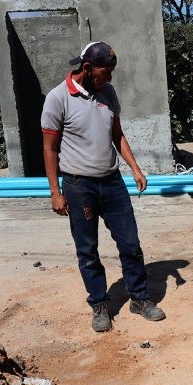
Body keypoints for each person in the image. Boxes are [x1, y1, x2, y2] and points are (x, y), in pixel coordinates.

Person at [41, 41, 165, 333]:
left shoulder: (107, 93)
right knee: (88, 249)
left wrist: (135, 169)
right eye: (105, 72)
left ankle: (139, 298)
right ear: (87, 69)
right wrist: (55, 192)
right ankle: (99, 303)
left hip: (112, 183)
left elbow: (117, 133)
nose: (110, 78)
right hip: (78, 185)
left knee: (131, 244)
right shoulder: (58, 98)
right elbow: (49, 149)